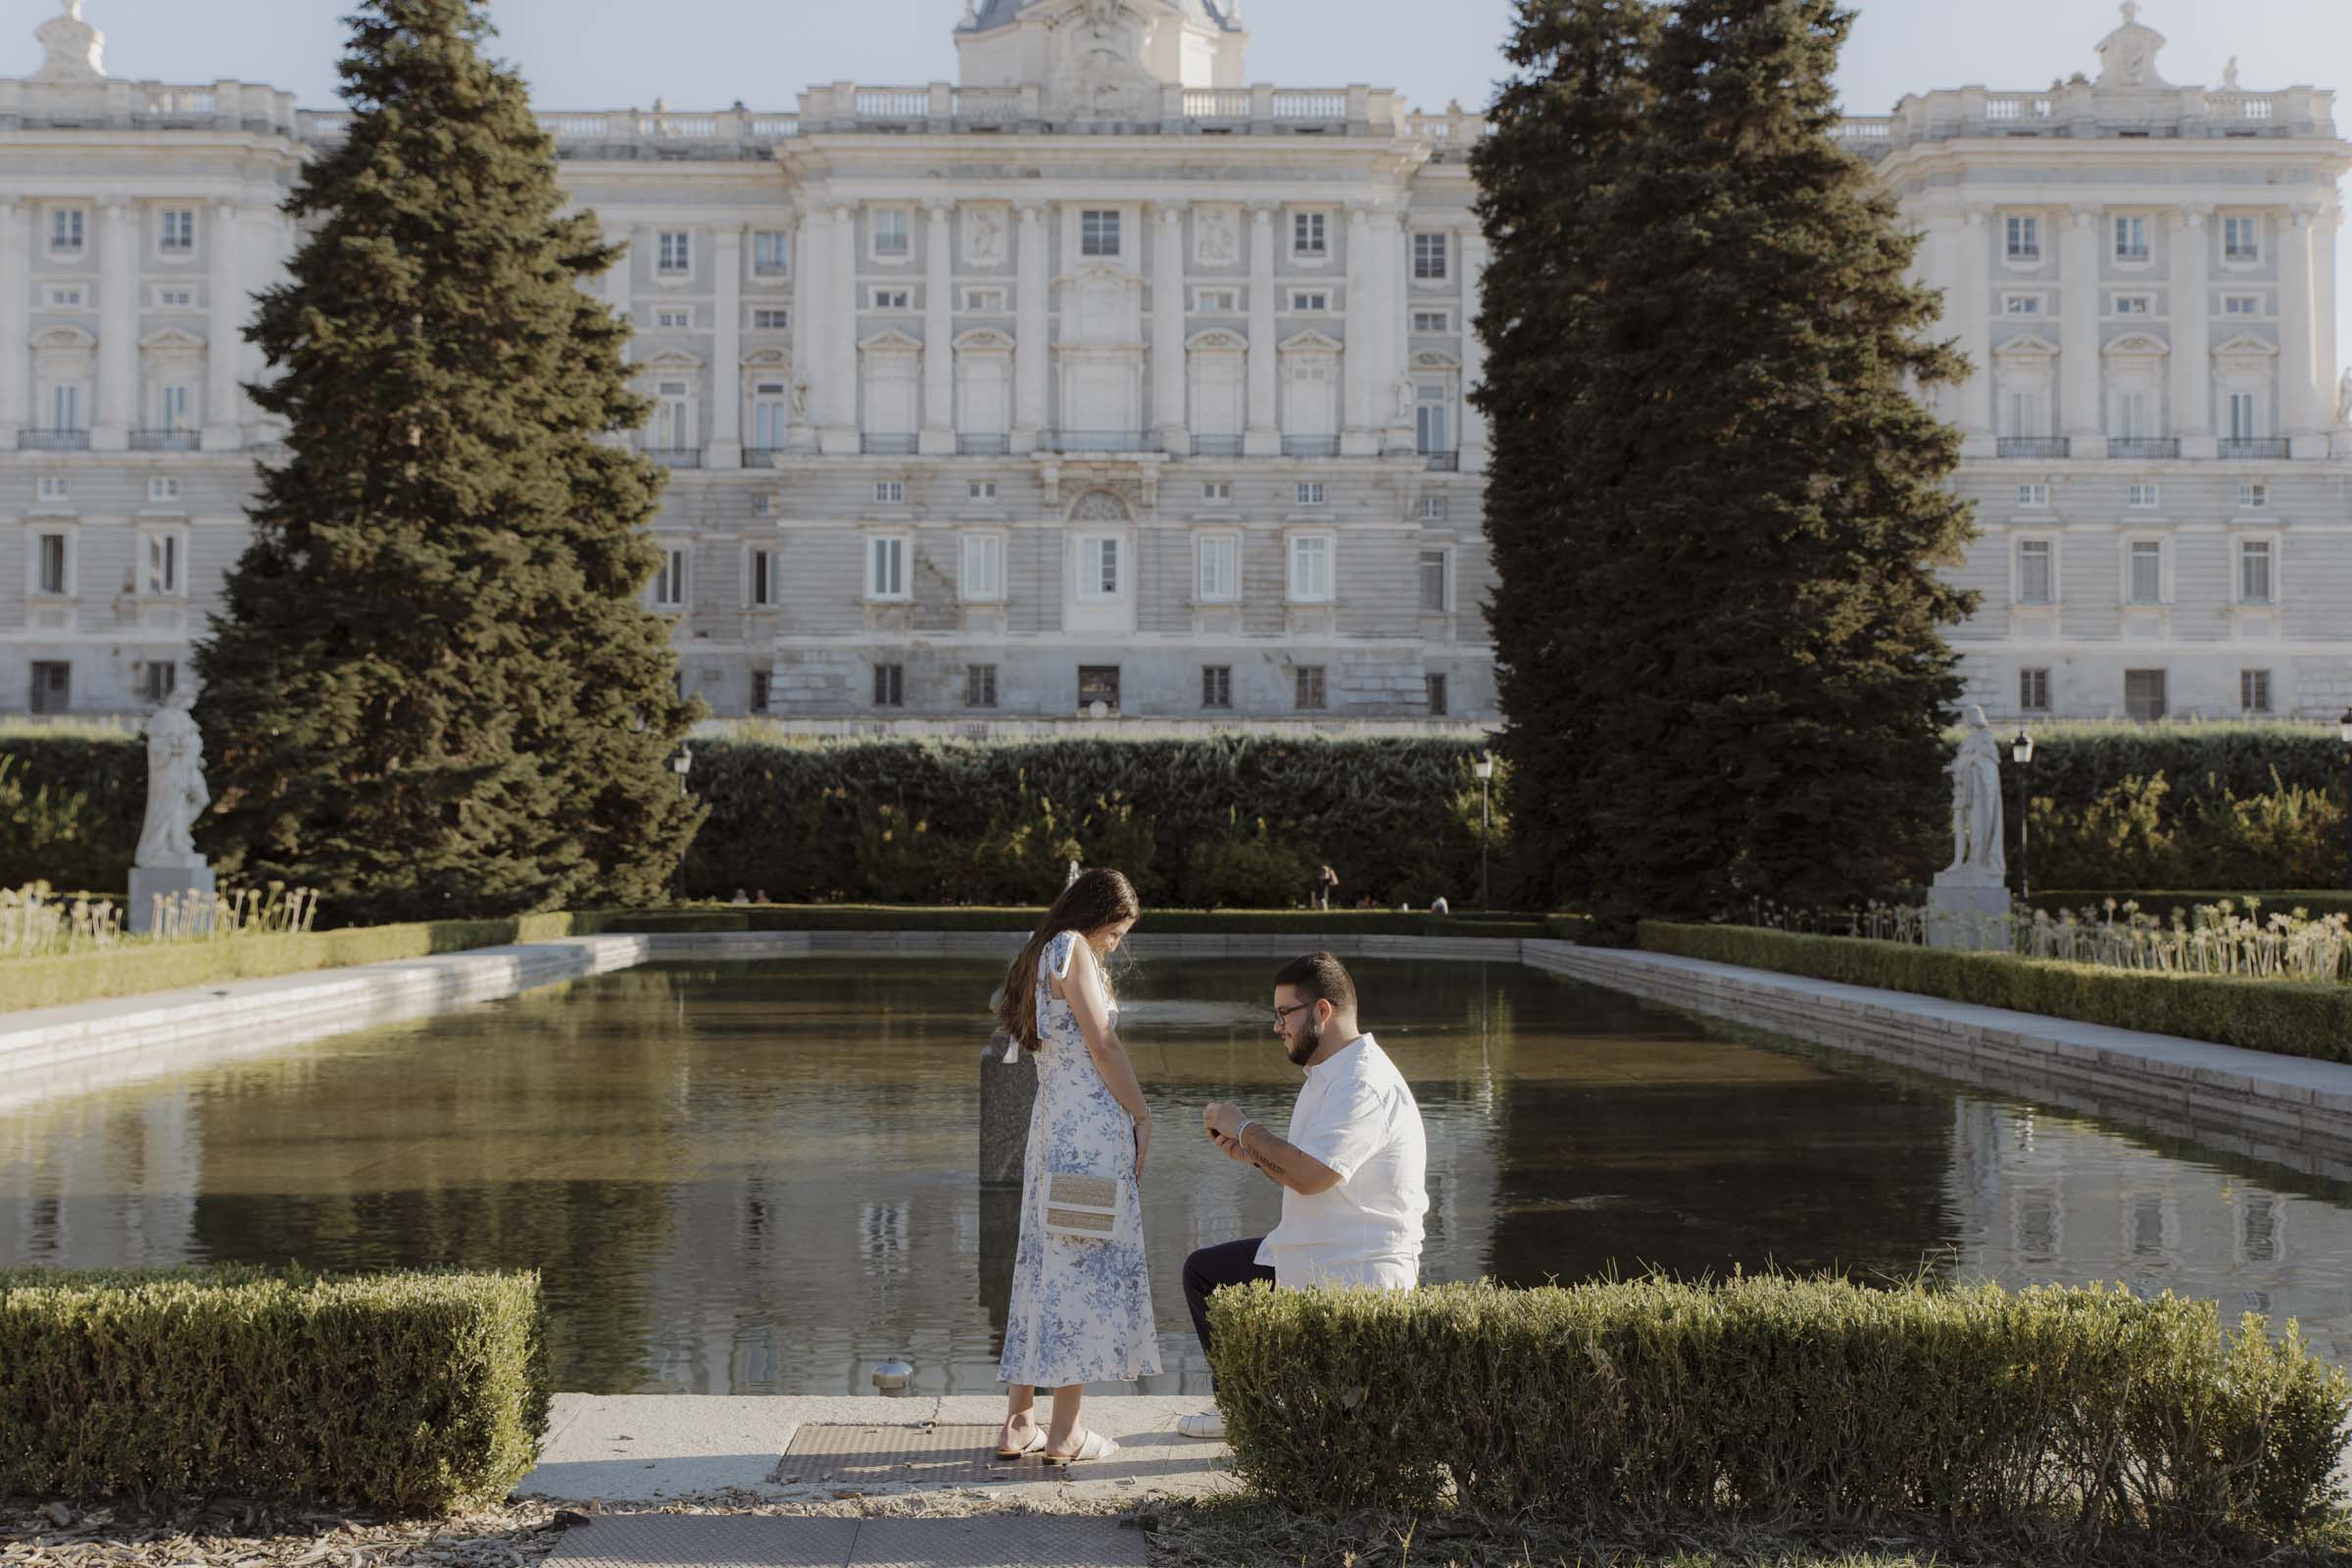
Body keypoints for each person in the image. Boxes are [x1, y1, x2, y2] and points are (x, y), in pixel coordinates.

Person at [1178, 952, 1429, 1441]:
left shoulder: (1361, 1083)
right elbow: (1311, 1172)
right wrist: (1253, 1154)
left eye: (1283, 1013)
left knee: (1210, 1275)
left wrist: (1246, 1128)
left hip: (1352, 1270)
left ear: (1322, 1011)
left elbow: (1313, 1176)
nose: (1277, 1026)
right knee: (1205, 1272)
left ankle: (1254, 1412)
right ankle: (1244, 1406)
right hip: (1315, 1251)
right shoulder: (1330, 1073)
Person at [993, 868, 1159, 1465]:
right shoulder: (1074, 949)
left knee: (1042, 1265)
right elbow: (1104, 1045)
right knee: (1080, 1268)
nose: (1118, 942)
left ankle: (1019, 1422)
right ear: (1098, 916)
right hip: (1089, 1135)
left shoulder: (1039, 952)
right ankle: (1065, 1433)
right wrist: (1141, 1113)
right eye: (1118, 929)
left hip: (1053, 1132)